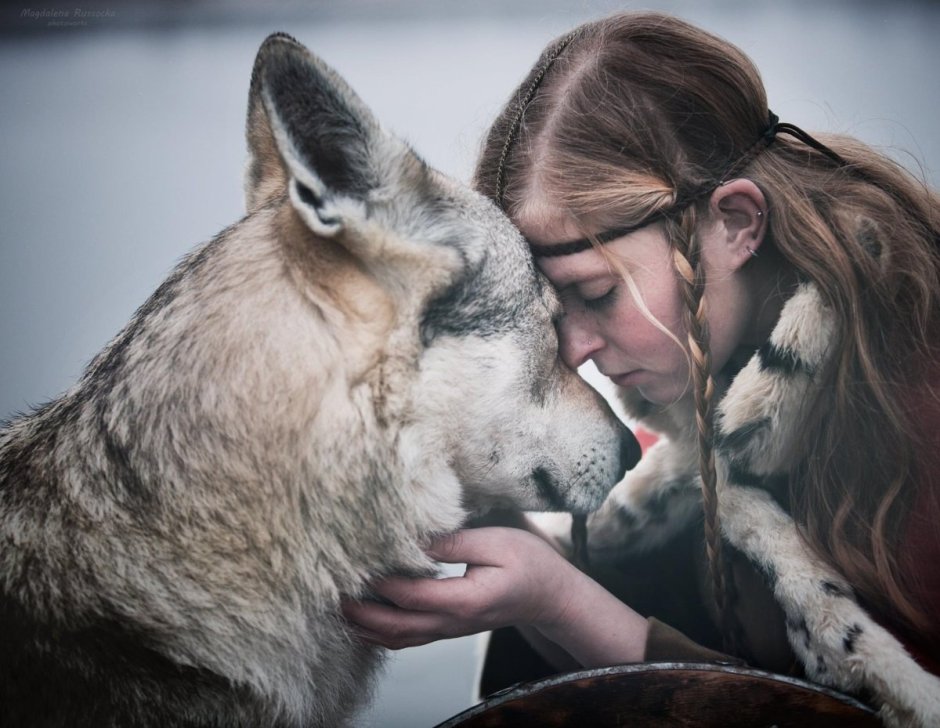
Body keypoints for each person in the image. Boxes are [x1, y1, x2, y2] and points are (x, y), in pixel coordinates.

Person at [342, 11, 940, 721]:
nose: (573, 349)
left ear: (736, 223)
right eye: (553, 315)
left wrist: (561, 601)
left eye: (597, 293)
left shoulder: (920, 401)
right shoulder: (703, 403)